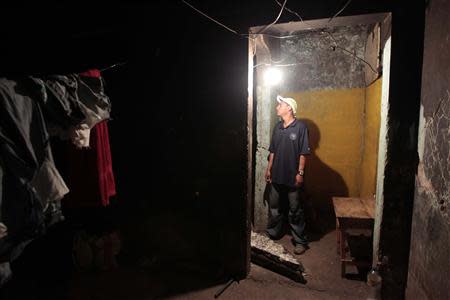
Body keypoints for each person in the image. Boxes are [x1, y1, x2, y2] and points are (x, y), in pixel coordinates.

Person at [265, 95, 310, 255]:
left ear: (289, 108)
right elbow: (273, 151)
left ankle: (300, 241)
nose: (277, 107)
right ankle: (273, 233)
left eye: (280, 105)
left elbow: (303, 153)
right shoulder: (278, 127)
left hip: (293, 176)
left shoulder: (300, 127)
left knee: (295, 210)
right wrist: (269, 169)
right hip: (277, 174)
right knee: (275, 207)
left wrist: (300, 173)